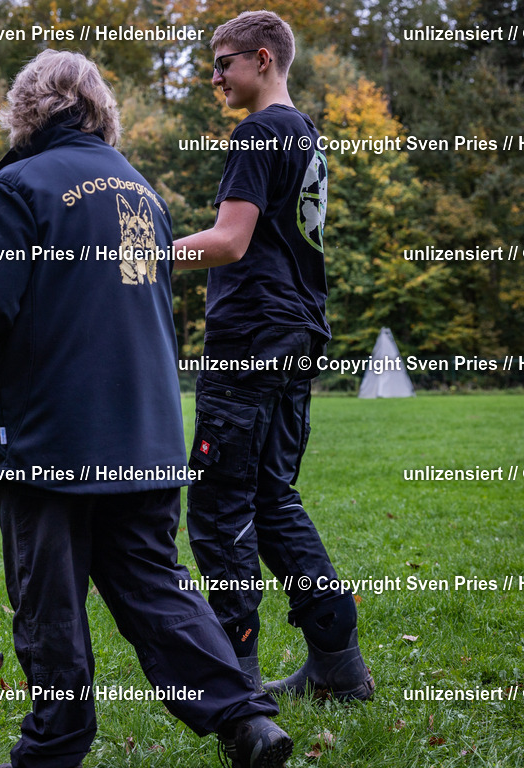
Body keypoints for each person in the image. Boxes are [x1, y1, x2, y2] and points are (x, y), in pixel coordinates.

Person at [0, 49, 292, 768]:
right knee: (157, 587)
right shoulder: (141, 191)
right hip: (144, 434)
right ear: (100, 108)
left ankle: (54, 747)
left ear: (25, 109)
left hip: (48, 438)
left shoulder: (18, 186)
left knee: (51, 604)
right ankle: (245, 720)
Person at [171, 11, 374, 701]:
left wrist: (142, 255)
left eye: (223, 62)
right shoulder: (306, 134)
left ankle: (238, 682)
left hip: (251, 336)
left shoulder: (258, 133)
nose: (215, 76)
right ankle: (337, 664)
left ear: (262, 59)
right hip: (296, 331)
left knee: (218, 506)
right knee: (272, 498)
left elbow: (230, 241)